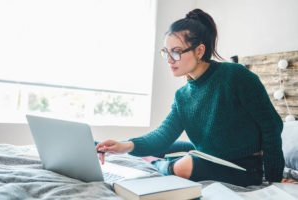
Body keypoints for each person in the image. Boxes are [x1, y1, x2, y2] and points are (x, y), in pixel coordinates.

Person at [96, 8, 285, 187]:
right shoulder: (183, 95)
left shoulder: (235, 76)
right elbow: (163, 135)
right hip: (208, 154)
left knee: (185, 165)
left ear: (200, 51)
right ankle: (116, 148)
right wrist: (124, 146)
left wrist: (274, 179)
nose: (169, 59)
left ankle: (160, 166)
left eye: (176, 52)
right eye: (166, 52)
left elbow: (272, 126)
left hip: (244, 167)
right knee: (162, 146)